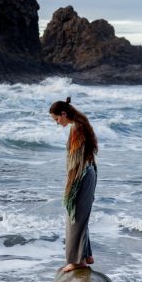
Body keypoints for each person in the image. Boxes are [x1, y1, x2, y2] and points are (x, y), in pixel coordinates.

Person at [49, 97, 98, 272]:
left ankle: (78, 261)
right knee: (80, 215)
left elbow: (76, 161)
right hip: (88, 173)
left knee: (75, 217)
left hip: (82, 176)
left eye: (57, 119)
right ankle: (86, 255)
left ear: (64, 114)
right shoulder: (80, 123)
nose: (57, 123)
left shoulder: (77, 128)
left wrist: (70, 185)